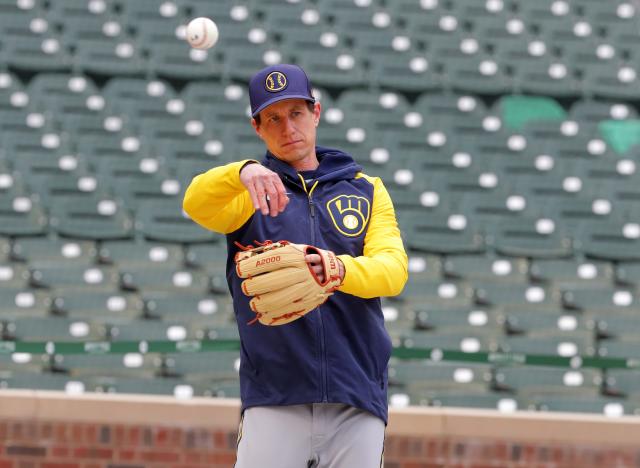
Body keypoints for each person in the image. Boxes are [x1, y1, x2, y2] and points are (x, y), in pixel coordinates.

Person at [183, 64, 408, 468]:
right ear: (258, 127)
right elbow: (195, 203)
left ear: (316, 113)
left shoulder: (366, 189)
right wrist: (242, 171)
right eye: (273, 118)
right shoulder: (248, 192)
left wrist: (336, 270)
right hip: (275, 395)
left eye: (296, 113)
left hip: (354, 394)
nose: (287, 128)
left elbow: (392, 271)